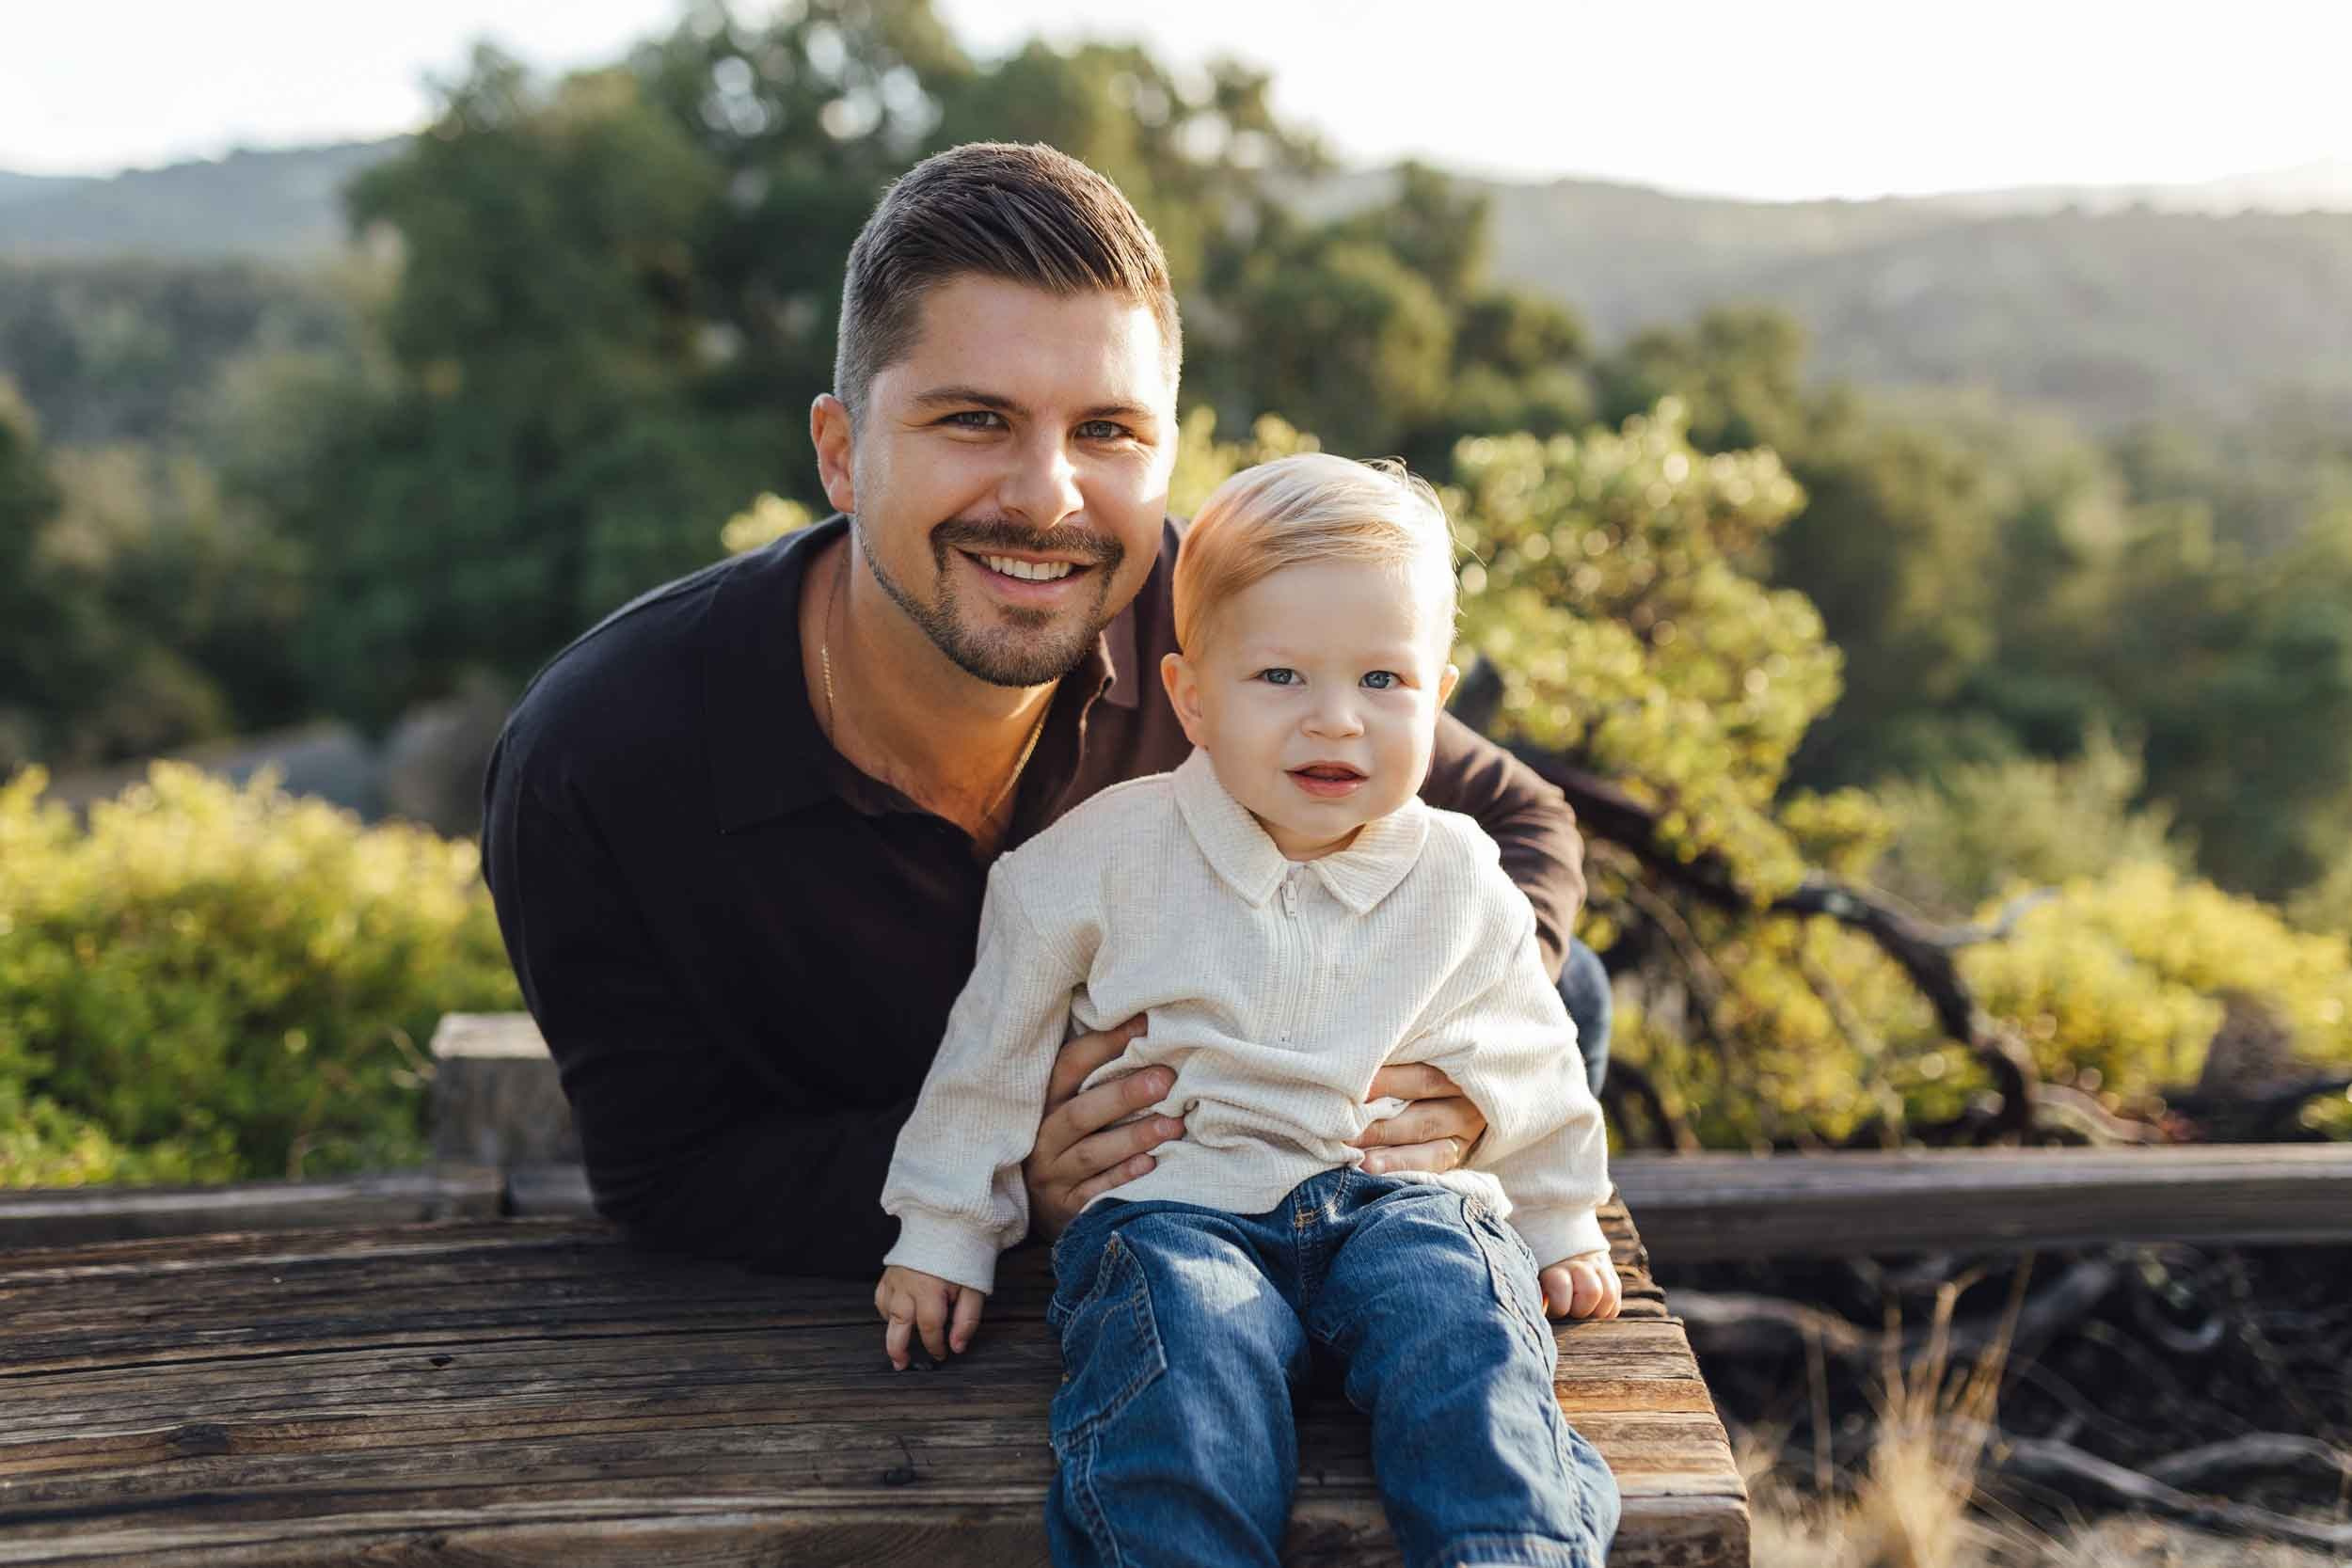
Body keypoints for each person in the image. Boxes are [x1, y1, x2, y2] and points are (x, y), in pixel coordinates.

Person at [480, 140, 1603, 1281]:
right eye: (973, 418)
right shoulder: (599, 759)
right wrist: (1012, 1182)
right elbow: (666, 1171)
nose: (1044, 497)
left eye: (1107, 431)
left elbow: (1522, 822)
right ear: (842, 452)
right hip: (920, 1318)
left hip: (1342, 1230)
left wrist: (1450, 1083)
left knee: (1562, 986)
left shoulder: (1226, 629)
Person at [877, 452, 1621, 1568]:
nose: (1336, 722)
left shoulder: (1460, 872)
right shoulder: (1098, 860)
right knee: (1180, 1367)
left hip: (1396, 1200)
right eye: (1280, 678)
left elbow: (1528, 1049)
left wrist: (1559, 1216)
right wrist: (944, 1228)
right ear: (1191, 696)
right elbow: (990, 1055)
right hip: (1183, 1209)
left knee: (1468, 1330)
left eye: (1383, 681)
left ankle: (1508, 1549)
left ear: (1438, 694)